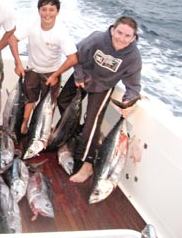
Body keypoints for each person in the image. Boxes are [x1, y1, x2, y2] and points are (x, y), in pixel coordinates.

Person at [57, 16, 142, 183]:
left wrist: (128, 102)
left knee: (92, 122)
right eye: (119, 32)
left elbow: (133, 87)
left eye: (127, 36)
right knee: (63, 102)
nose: (121, 38)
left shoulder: (133, 57)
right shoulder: (97, 39)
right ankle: (77, 136)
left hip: (103, 86)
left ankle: (87, 164)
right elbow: (75, 56)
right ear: (112, 30)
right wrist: (79, 77)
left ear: (134, 38)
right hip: (83, 76)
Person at [9, 0, 78, 136]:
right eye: (44, 9)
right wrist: (18, 63)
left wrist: (55, 75)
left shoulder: (61, 32)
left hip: (51, 73)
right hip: (33, 70)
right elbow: (12, 39)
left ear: (57, 12)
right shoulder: (31, 24)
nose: (47, 14)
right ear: (38, 11)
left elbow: (73, 58)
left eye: (51, 10)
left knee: (49, 106)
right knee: (28, 100)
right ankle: (23, 127)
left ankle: (43, 133)